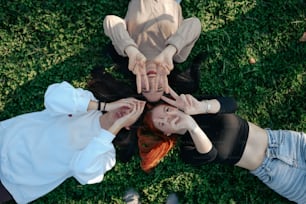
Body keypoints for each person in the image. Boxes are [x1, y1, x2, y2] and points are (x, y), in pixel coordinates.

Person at [137, 87, 306, 204]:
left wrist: (202, 106)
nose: (167, 118)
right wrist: (192, 126)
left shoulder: (199, 107)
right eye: (161, 123)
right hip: (275, 173)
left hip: (288, 143)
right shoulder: (187, 149)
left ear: (173, 107)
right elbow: (210, 155)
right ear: (166, 133)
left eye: (166, 111)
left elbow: (231, 104)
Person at [0, 81, 145, 203]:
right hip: (5, 141)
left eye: (131, 114)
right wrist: (105, 106)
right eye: (128, 105)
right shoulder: (87, 102)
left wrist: (114, 127)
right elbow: (52, 97)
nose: (125, 111)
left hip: (14, 183)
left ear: (129, 125)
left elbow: (82, 170)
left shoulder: (106, 154)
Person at [103, 0, 201, 102]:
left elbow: (110, 20)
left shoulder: (125, 51)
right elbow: (194, 23)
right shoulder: (178, 55)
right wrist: (170, 50)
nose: (152, 82)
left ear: (138, 82)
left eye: (146, 88)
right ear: (166, 82)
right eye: (159, 87)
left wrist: (131, 50)